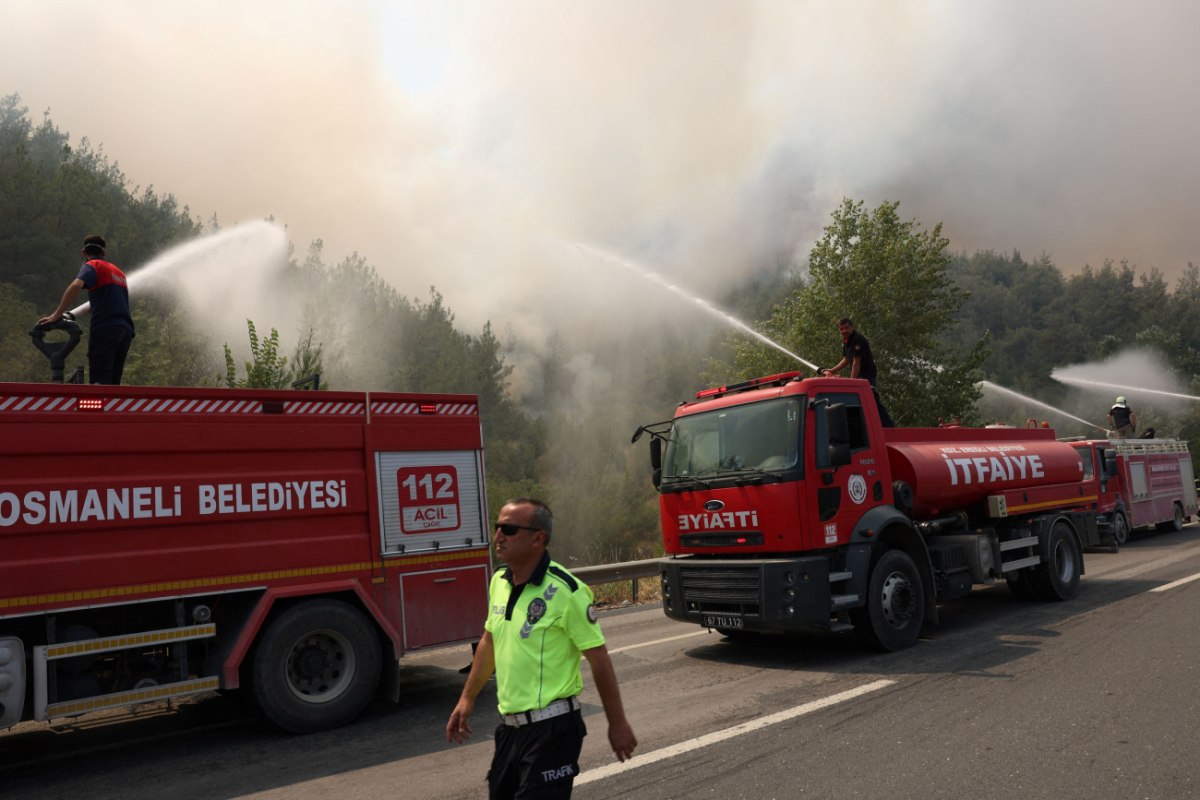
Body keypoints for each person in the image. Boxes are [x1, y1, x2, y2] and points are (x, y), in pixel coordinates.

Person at [446, 498, 636, 798]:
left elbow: (598, 659)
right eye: (497, 527)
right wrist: (467, 698)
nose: (498, 536)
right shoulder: (499, 582)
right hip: (509, 729)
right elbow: (490, 640)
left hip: (553, 730)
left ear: (538, 538)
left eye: (509, 529)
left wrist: (617, 723)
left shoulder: (566, 591)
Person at [38, 235, 135, 385]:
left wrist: (56, 315)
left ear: (84, 252)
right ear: (104, 253)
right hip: (125, 331)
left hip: (106, 329)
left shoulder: (92, 265)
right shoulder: (118, 272)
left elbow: (76, 285)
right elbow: (111, 300)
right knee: (113, 385)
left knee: (100, 383)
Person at [820, 317, 895, 427]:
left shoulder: (857, 340)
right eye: (841, 329)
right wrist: (832, 370)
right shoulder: (847, 341)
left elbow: (856, 363)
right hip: (859, 375)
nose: (844, 331)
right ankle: (869, 426)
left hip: (866, 375)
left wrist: (852, 383)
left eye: (847, 328)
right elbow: (846, 359)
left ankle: (889, 427)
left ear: (852, 327)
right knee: (861, 401)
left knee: (871, 399)